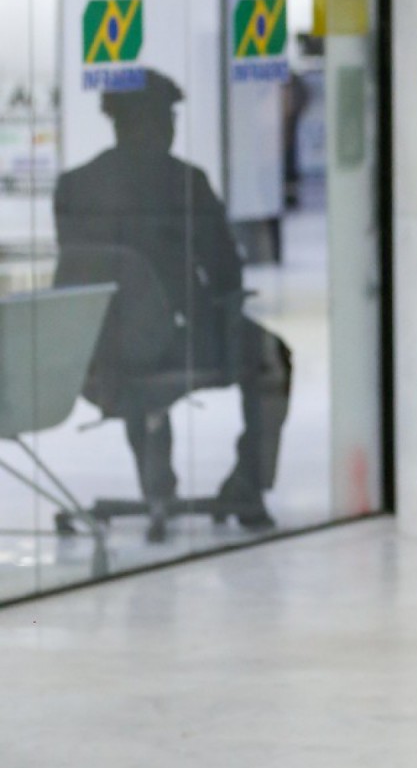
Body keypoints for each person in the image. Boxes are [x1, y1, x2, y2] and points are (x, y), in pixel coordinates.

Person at [55, 69, 292, 535]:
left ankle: (157, 487)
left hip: (96, 354)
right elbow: (226, 272)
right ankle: (247, 487)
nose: (171, 127)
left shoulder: (74, 185)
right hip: (185, 345)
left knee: (133, 352)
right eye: (167, 117)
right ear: (151, 121)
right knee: (273, 359)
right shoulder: (185, 182)